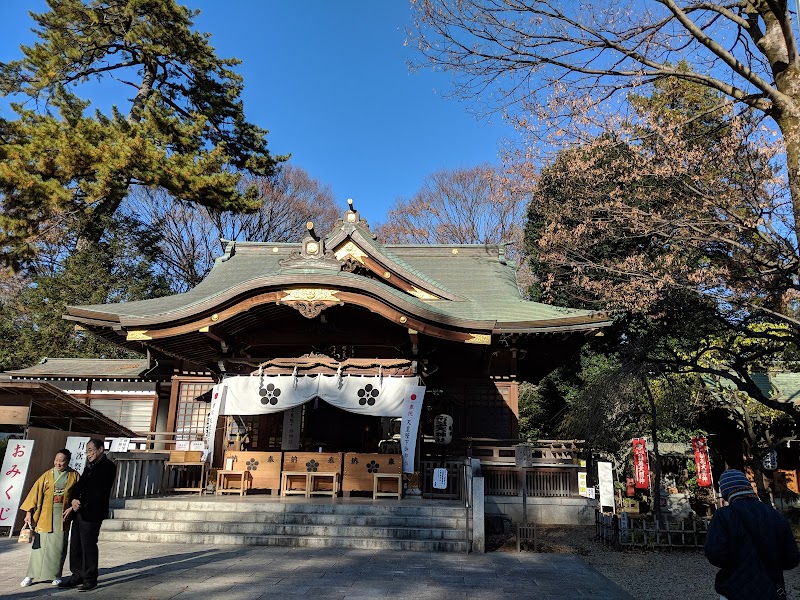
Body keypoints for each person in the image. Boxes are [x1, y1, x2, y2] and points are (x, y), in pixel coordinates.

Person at [704, 469, 800, 600]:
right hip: (773, 590)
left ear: (726, 493)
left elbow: (714, 553)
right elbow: (792, 559)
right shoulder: (775, 515)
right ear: (748, 487)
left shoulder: (723, 515)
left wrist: (736, 563)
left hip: (735, 589)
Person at [58, 439, 117, 592]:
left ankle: (90, 578)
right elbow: (79, 486)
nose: (88, 454)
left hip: (92, 512)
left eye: (90, 450)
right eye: (86, 451)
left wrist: (81, 501)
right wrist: (74, 499)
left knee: (88, 545)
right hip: (79, 512)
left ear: (101, 449)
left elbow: (98, 490)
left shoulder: (108, 467)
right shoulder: (89, 466)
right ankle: (77, 574)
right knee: (76, 544)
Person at [18, 448, 80, 587]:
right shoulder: (47, 475)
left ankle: (55, 575)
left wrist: (72, 508)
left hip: (62, 515)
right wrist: (28, 513)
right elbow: (34, 493)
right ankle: (30, 575)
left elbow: (79, 494)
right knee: (38, 547)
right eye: (56, 460)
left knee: (58, 547)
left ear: (68, 461)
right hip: (45, 514)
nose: (58, 463)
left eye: (61, 461)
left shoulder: (74, 475)